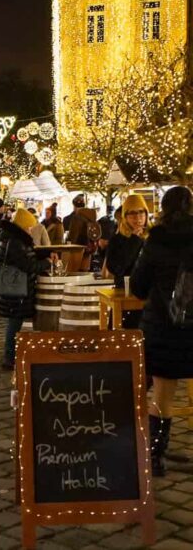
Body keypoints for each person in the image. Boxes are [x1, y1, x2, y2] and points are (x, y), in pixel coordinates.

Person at [130, 186, 193, 476]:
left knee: (163, 396)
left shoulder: (155, 241)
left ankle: (156, 456)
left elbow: (139, 287)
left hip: (163, 330)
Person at [0, 208, 53, 370]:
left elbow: (26, 258)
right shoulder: (15, 242)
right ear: (23, 225)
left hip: (16, 288)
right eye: (29, 226)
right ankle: (9, 357)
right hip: (16, 290)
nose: (30, 229)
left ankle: (12, 355)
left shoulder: (14, 239)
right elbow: (27, 265)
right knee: (14, 323)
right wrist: (46, 263)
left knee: (15, 322)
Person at [105, 195, 149, 330]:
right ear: (125, 216)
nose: (138, 217)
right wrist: (134, 240)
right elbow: (116, 268)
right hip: (125, 300)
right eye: (132, 213)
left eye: (141, 212)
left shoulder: (154, 237)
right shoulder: (118, 240)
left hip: (149, 301)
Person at [64, 194, 98, 272]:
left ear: (74, 205)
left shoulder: (76, 217)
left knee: (73, 272)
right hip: (90, 247)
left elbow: (73, 235)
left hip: (77, 248)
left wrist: (69, 243)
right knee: (85, 271)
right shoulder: (92, 216)